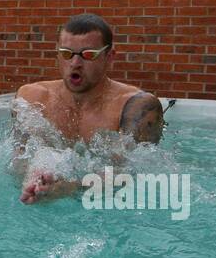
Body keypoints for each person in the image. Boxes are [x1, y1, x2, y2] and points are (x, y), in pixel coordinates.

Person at [13, 13, 163, 204]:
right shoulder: (32, 98)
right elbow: (18, 159)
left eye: (88, 55)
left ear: (109, 57)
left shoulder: (137, 107)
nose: (75, 63)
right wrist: (33, 179)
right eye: (67, 54)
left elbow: (131, 174)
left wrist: (72, 187)